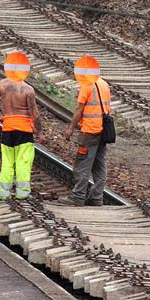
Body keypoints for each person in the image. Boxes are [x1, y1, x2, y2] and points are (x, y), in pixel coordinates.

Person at [0, 51, 40, 200]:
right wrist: (40, 132)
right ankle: (22, 194)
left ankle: (4, 193)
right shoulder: (28, 90)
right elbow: (35, 114)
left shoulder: (2, 84)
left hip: (8, 128)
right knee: (23, 162)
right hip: (24, 129)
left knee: (7, 162)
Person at [63, 55, 111, 206]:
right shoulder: (104, 84)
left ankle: (77, 197)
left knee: (82, 165)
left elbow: (79, 109)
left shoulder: (87, 85)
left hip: (90, 131)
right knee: (99, 166)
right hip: (103, 131)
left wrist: (70, 128)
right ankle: (96, 198)